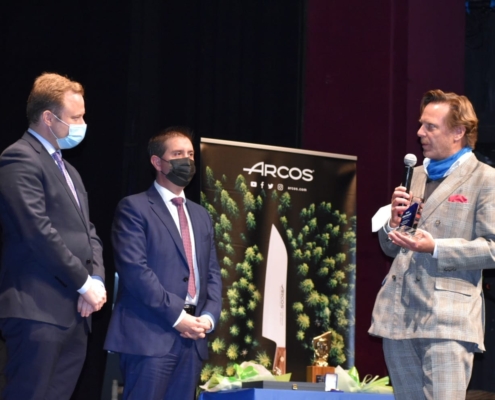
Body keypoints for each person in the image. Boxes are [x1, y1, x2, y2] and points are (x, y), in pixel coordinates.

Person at [369, 89, 495, 399]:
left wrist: (436, 247)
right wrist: (392, 225)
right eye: (420, 125)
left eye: (430, 126)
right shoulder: (416, 176)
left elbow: (492, 248)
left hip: (447, 321)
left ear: (458, 132)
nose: (419, 133)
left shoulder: (485, 179)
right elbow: (392, 248)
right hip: (398, 317)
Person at [0, 72, 107, 399]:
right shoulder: (19, 157)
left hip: (75, 313)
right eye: (76, 117)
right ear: (49, 117)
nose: (82, 123)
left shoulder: (69, 169)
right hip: (37, 310)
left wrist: (97, 280)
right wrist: (82, 282)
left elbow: (89, 232)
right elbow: (37, 231)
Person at [104, 126, 222, 400]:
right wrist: (178, 318)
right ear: (157, 162)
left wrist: (207, 317)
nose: (187, 161)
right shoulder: (134, 208)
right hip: (150, 335)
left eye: (191, 154)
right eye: (178, 153)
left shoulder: (201, 215)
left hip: (193, 339)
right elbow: (135, 272)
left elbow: (212, 273)